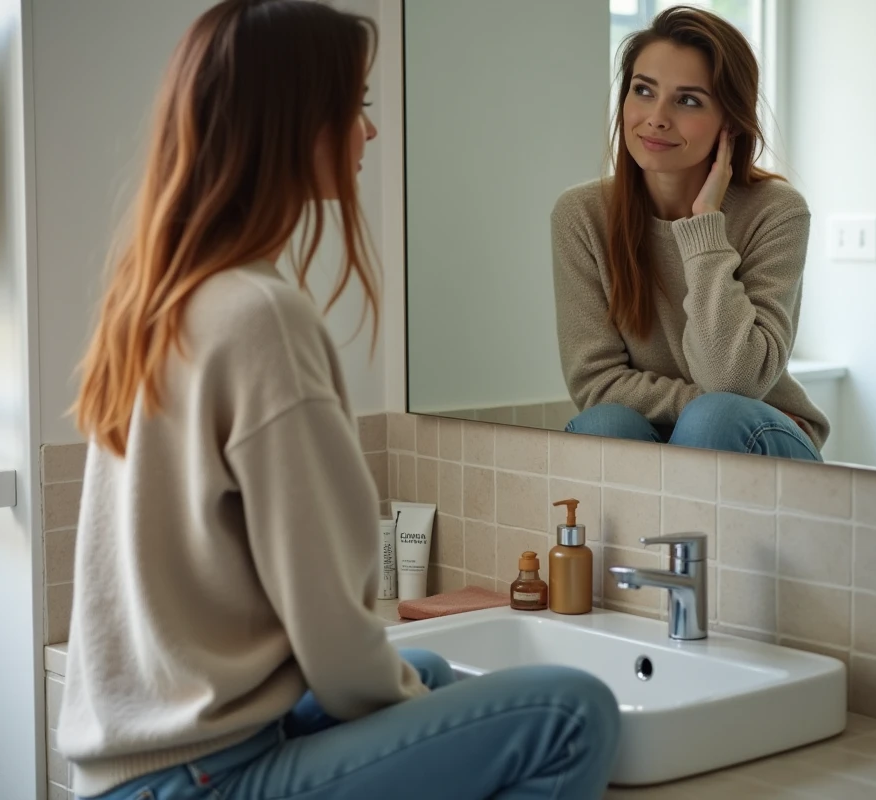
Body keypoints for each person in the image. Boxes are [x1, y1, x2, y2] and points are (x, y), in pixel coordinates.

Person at [57, 2, 620, 799]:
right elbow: (330, 632)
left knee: (419, 664)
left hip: (132, 768)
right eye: (355, 106)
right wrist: (415, 710)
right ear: (294, 127)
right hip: (206, 776)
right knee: (575, 710)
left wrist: (412, 697)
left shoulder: (159, 297)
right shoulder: (259, 317)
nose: (371, 131)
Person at [553, 5, 828, 462]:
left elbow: (734, 382)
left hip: (757, 435)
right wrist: (692, 403)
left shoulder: (776, 212)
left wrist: (704, 226)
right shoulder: (581, 216)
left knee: (715, 419)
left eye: (688, 100)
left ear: (730, 124)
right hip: (663, 432)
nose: (656, 117)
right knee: (604, 424)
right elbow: (596, 384)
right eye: (644, 91)